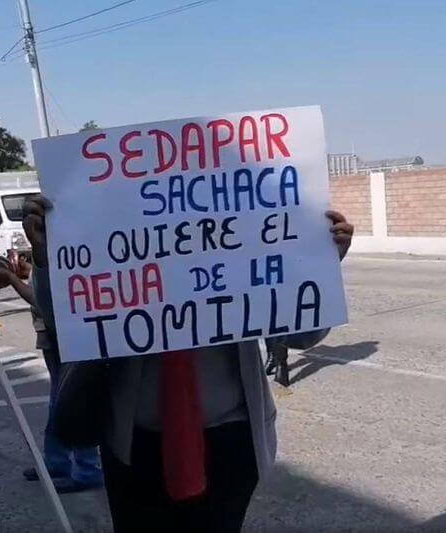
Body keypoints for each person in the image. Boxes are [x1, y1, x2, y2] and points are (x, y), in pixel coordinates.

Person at [22, 195, 354, 532]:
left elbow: (302, 337)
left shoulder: (241, 232)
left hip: (231, 442)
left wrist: (321, 267)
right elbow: (64, 322)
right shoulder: (114, 228)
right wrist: (47, 260)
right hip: (132, 445)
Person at [0, 261, 105, 494]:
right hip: (55, 336)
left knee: (74, 401)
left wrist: (11, 278)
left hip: (66, 336)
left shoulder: (57, 249)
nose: (30, 227)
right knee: (58, 401)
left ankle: (86, 469)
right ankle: (56, 464)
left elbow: (43, 301)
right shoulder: (48, 253)